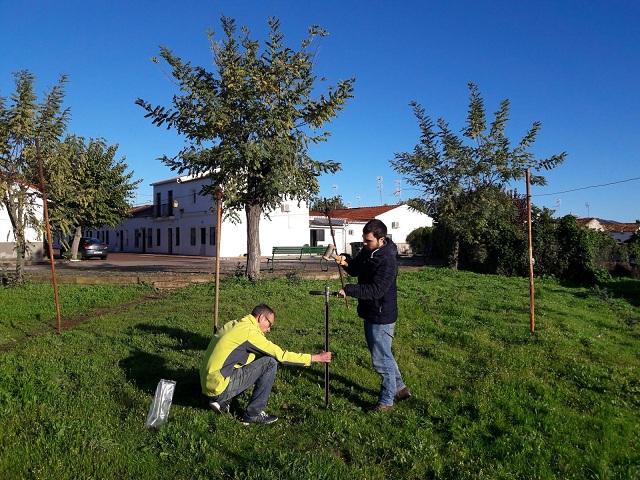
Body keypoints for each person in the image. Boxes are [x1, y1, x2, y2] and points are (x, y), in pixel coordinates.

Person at [199, 303, 332, 425]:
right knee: (270, 363)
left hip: (207, 382)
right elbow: (282, 356)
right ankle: (253, 414)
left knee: (255, 360)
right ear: (261, 318)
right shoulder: (250, 333)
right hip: (218, 387)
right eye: (270, 324)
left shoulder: (234, 324)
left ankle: (222, 402)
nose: (269, 330)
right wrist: (315, 358)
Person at [335, 219, 411, 412]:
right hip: (371, 311)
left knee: (380, 359)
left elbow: (377, 290)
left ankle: (387, 401)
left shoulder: (387, 260)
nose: (365, 244)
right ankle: (400, 388)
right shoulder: (368, 251)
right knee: (385, 355)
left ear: (381, 239)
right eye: (364, 240)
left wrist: (349, 290)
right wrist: (345, 261)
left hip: (381, 314)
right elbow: (356, 269)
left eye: (368, 241)